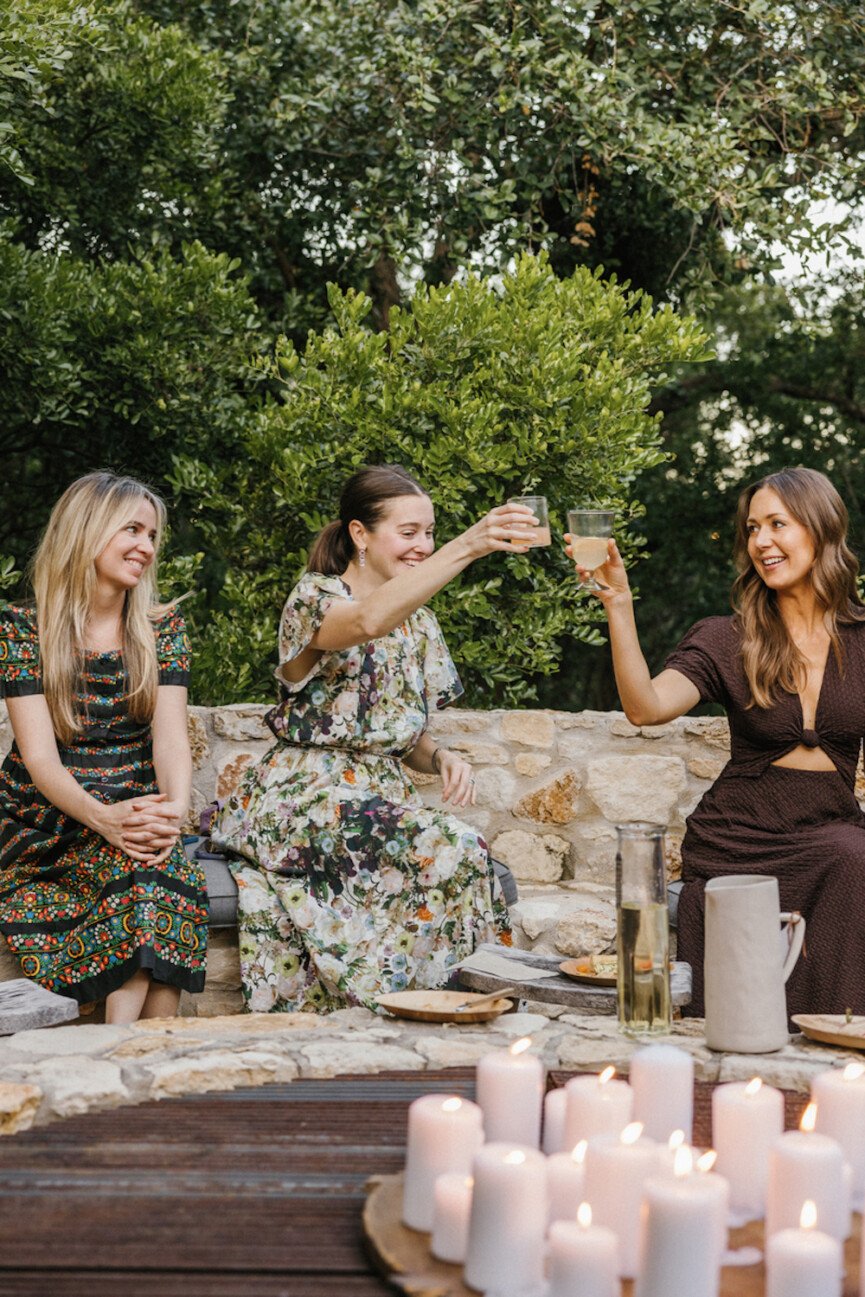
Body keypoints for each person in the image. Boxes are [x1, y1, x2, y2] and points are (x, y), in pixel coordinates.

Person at [212, 464, 529, 1013]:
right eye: (409, 533)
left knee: (456, 851)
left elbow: (402, 737)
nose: (423, 545)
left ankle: (445, 1012)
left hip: (379, 795)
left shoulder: (420, 623)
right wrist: (470, 545)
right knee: (456, 846)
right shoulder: (314, 599)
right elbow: (363, 623)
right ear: (360, 534)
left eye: (430, 532)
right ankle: (430, 1007)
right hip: (303, 795)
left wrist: (443, 755)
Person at [567, 466, 865, 1018]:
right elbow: (645, 708)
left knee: (853, 857)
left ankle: (831, 1048)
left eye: (778, 524)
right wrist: (619, 604)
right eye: (753, 528)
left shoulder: (862, 640)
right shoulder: (728, 638)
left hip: (829, 830)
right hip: (738, 836)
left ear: (821, 529)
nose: (761, 542)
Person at [0, 472, 208, 1024]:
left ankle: (139, 1054)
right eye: (132, 529)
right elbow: (39, 759)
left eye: (153, 535)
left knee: (167, 870)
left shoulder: (161, 628)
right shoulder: (24, 629)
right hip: (51, 823)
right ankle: (123, 1052)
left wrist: (172, 813)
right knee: (142, 874)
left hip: (133, 808)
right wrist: (106, 819)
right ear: (87, 531)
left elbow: (170, 736)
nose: (146, 546)